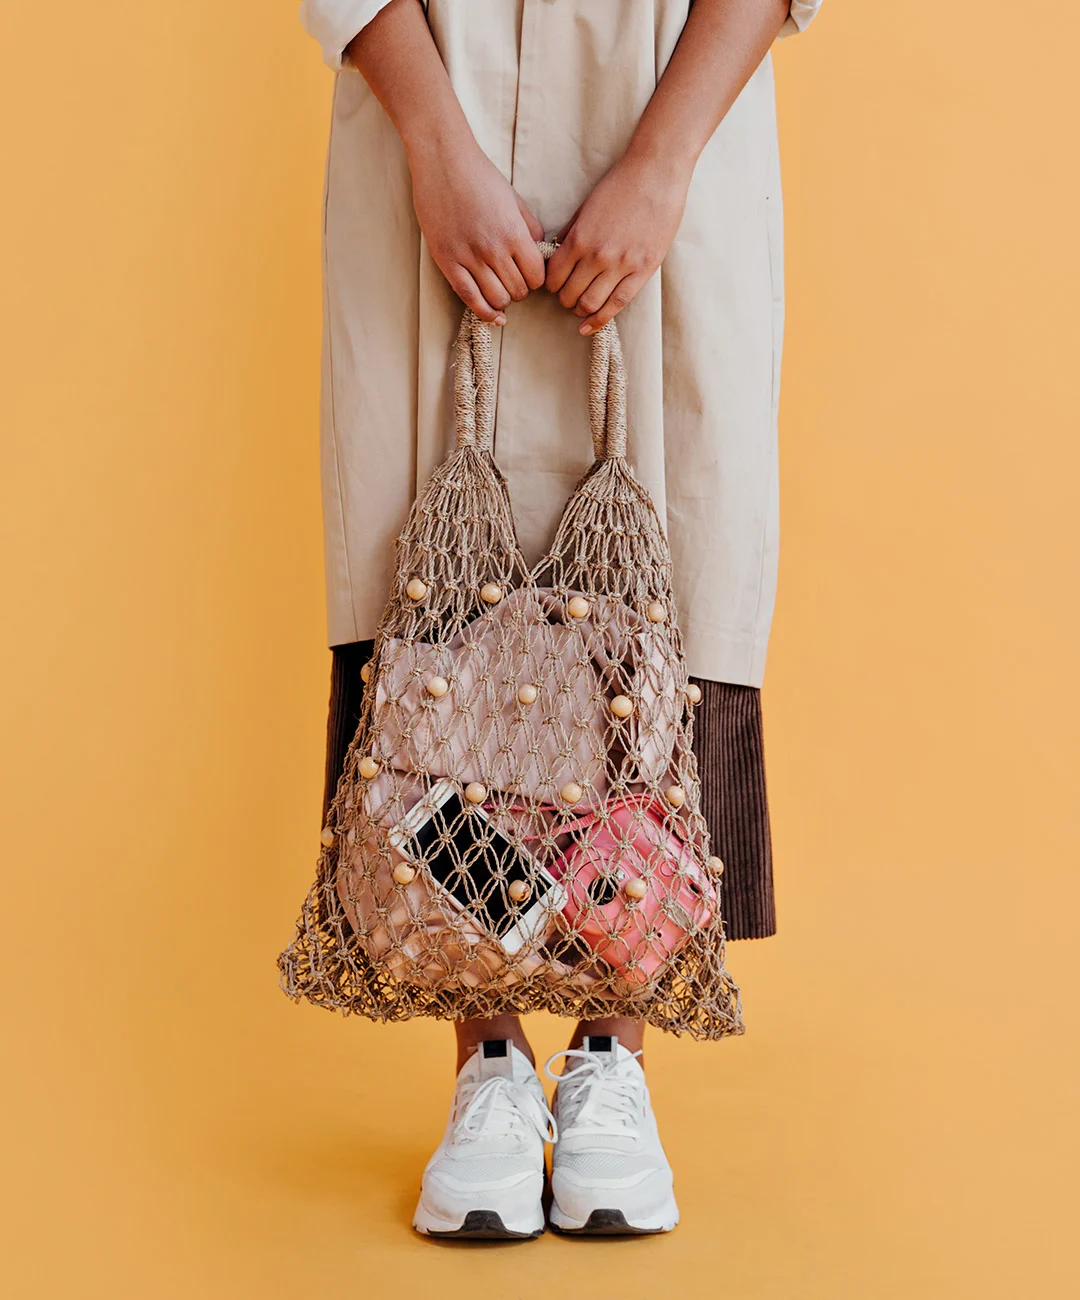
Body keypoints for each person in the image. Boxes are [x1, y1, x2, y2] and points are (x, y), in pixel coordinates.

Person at [290, 0, 823, 1238]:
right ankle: (487, 1058)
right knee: (434, 604)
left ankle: (609, 1059)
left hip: (668, 107)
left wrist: (662, 164)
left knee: (659, 587)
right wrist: (434, 143)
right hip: (437, 105)